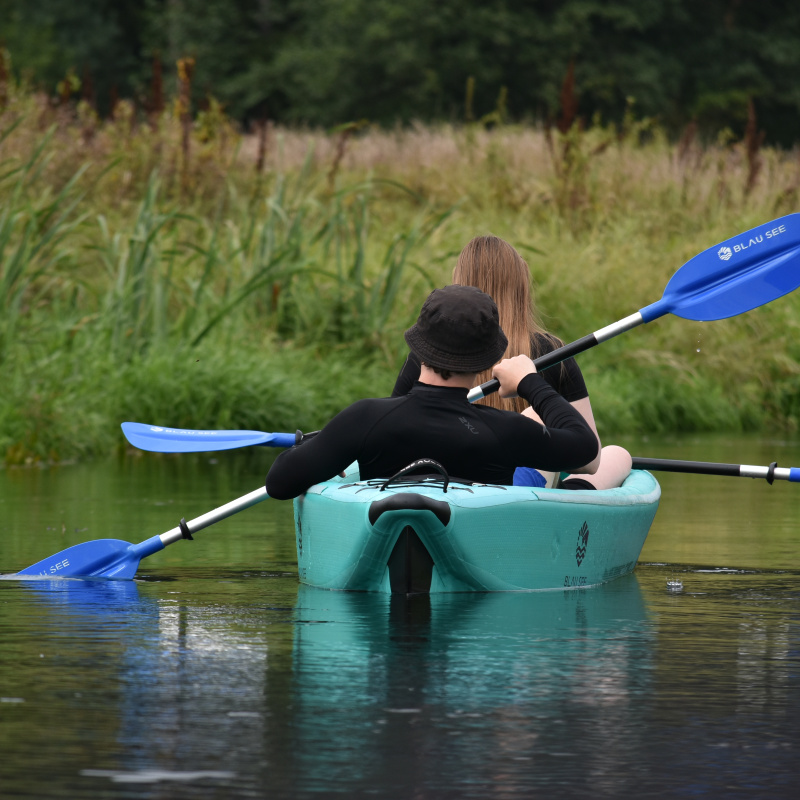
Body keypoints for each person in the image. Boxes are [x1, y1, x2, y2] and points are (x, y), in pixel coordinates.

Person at [266, 285, 599, 500]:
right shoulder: (505, 431)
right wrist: (530, 381)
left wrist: (322, 446)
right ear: (487, 361)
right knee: (618, 459)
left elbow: (279, 484)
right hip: (476, 547)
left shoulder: (364, 419)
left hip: (383, 539)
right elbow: (585, 448)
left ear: (418, 350)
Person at [392, 235, 631, 491]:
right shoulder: (551, 354)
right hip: (515, 490)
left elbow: (393, 432)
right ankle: (573, 494)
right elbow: (590, 460)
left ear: (456, 283)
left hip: (445, 481)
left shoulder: (429, 357)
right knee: (617, 454)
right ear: (522, 285)